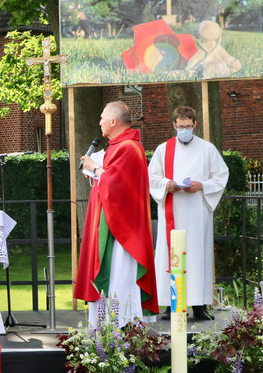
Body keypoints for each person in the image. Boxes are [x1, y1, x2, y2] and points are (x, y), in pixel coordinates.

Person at [75, 101, 159, 327]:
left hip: (123, 231)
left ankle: (122, 330)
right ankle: (105, 327)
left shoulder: (129, 148)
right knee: (110, 277)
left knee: (119, 277)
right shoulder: (117, 146)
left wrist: (94, 168)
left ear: (113, 121)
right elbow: (109, 176)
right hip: (110, 221)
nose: (99, 121)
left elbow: (116, 183)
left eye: (102, 117)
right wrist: (96, 171)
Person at [148, 106, 229, 320]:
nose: (184, 129)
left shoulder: (207, 149)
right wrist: (167, 185)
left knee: (197, 254)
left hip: (197, 213)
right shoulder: (164, 149)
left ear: (194, 124)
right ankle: (171, 303)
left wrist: (201, 185)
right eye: (180, 126)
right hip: (172, 210)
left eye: (188, 125)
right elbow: (152, 178)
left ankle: (199, 304)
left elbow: (221, 176)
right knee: (170, 254)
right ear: (174, 125)